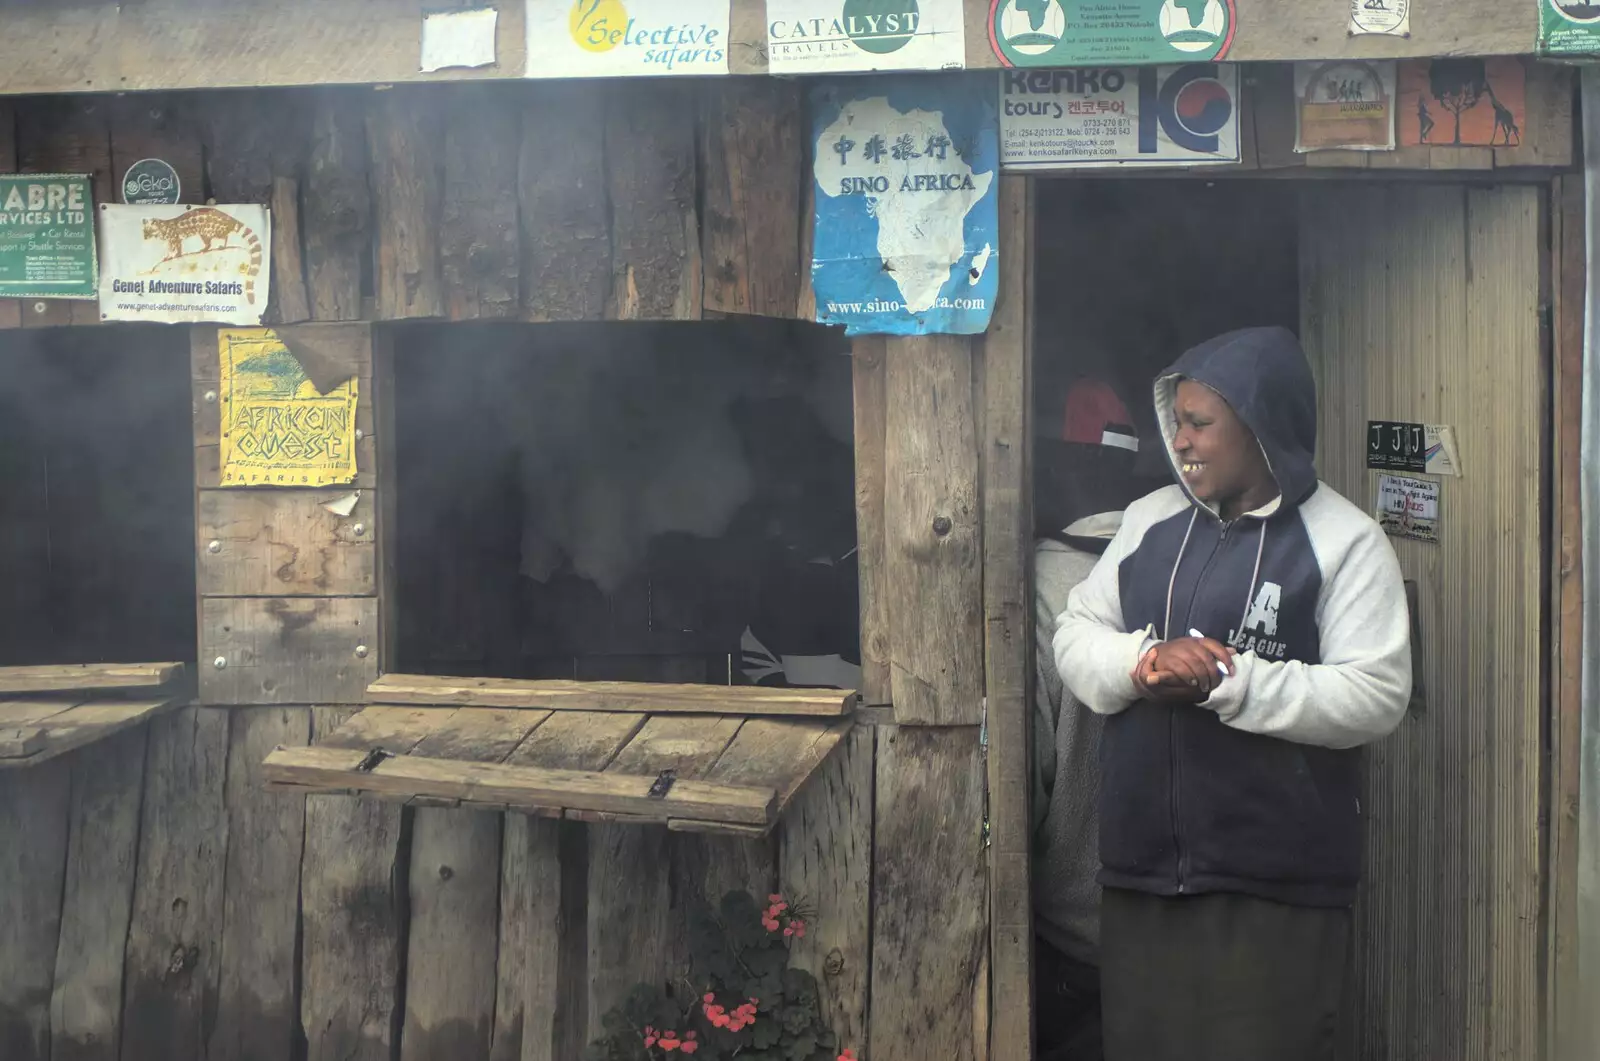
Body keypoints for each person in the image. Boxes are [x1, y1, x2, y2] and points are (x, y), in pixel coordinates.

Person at [1052, 326, 1412, 1061]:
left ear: (1262, 428)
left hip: (1274, 884)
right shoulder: (1150, 521)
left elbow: (1377, 691)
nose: (1179, 441)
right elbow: (1075, 630)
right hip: (1143, 874)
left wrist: (1233, 681)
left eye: (1200, 424)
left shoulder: (1344, 540)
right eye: (1176, 422)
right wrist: (1141, 662)